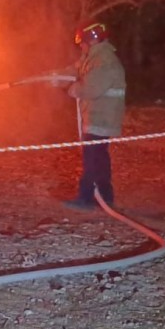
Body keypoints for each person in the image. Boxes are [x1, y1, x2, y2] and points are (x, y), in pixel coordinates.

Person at [63, 21, 126, 210]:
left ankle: (87, 198)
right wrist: (53, 76)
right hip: (97, 116)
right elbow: (75, 70)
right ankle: (105, 197)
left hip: (101, 118)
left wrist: (71, 89)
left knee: (92, 159)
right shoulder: (94, 57)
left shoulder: (104, 62)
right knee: (99, 157)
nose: (81, 46)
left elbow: (90, 89)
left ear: (91, 41)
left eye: (82, 43)